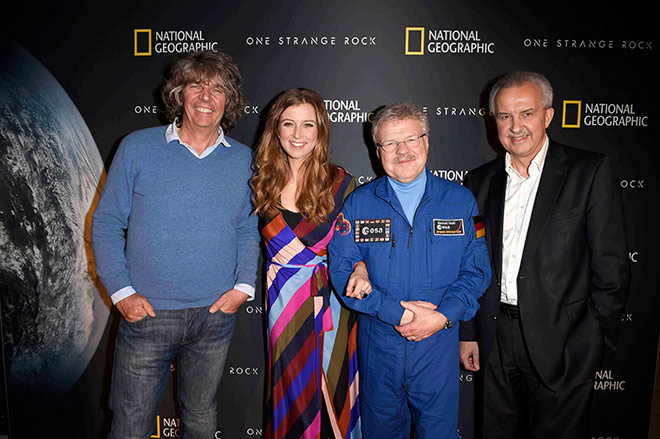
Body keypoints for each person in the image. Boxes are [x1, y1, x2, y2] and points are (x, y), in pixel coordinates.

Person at [92, 50, 259, 439]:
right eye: (196, 85)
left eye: (218, 88)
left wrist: (243, 287)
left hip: (214, 317)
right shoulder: (137, 147)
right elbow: (107, 221)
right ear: (179, 93)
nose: (206, 96)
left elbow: (247, 230)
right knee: (130, 425)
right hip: (148, 315)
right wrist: (121, 292)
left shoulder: (246, 162)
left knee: (201, 419)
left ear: (229, 101)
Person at [459, 71, 630, 438]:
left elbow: (612, 270)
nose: (515, 126)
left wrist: (590, 345)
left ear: (548, 116)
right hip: (495, 342)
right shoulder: (479, 182)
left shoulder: (588, 172)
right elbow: (471, 264)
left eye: (527, 114)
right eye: (504, 116)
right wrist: (469, 332)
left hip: (564, 342)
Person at [328, 102, 491, 439]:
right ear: (378, 151)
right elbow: (344, 270)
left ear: (427, 141)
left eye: (411, 140)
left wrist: (443, 316)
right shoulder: (359, 203)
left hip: (437, 346)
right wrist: (396, 314)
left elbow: (477, 271)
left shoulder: (461, 201)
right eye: (390, 143)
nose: (402, 151)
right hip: (379, 346)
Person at [250, 88, 361, 439]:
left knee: (337, 384)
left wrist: (360, 269)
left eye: (307, 125)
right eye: (288, 124)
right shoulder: (259, 182)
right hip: (283, 305)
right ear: (276, 129)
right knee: (292, 391)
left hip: (333, 301)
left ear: (320, 131)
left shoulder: (341, 183)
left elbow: (359, 249)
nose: (298, 135)